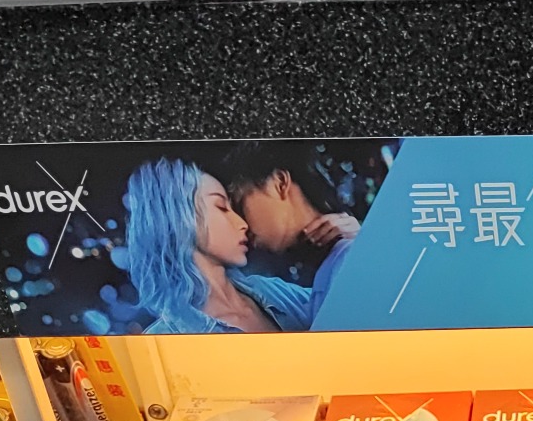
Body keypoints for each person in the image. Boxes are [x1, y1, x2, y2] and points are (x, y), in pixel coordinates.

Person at [123, 159, 312, 334]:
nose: (242, 224)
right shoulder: (162, 339)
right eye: (221, 207)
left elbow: (330, 307)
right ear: (179, 219)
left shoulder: (270, 290)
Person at [225, 143, 361, 324]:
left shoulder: (350, 257)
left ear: (280, 183)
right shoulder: (300, 285)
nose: (239, 223)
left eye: (240, 205)